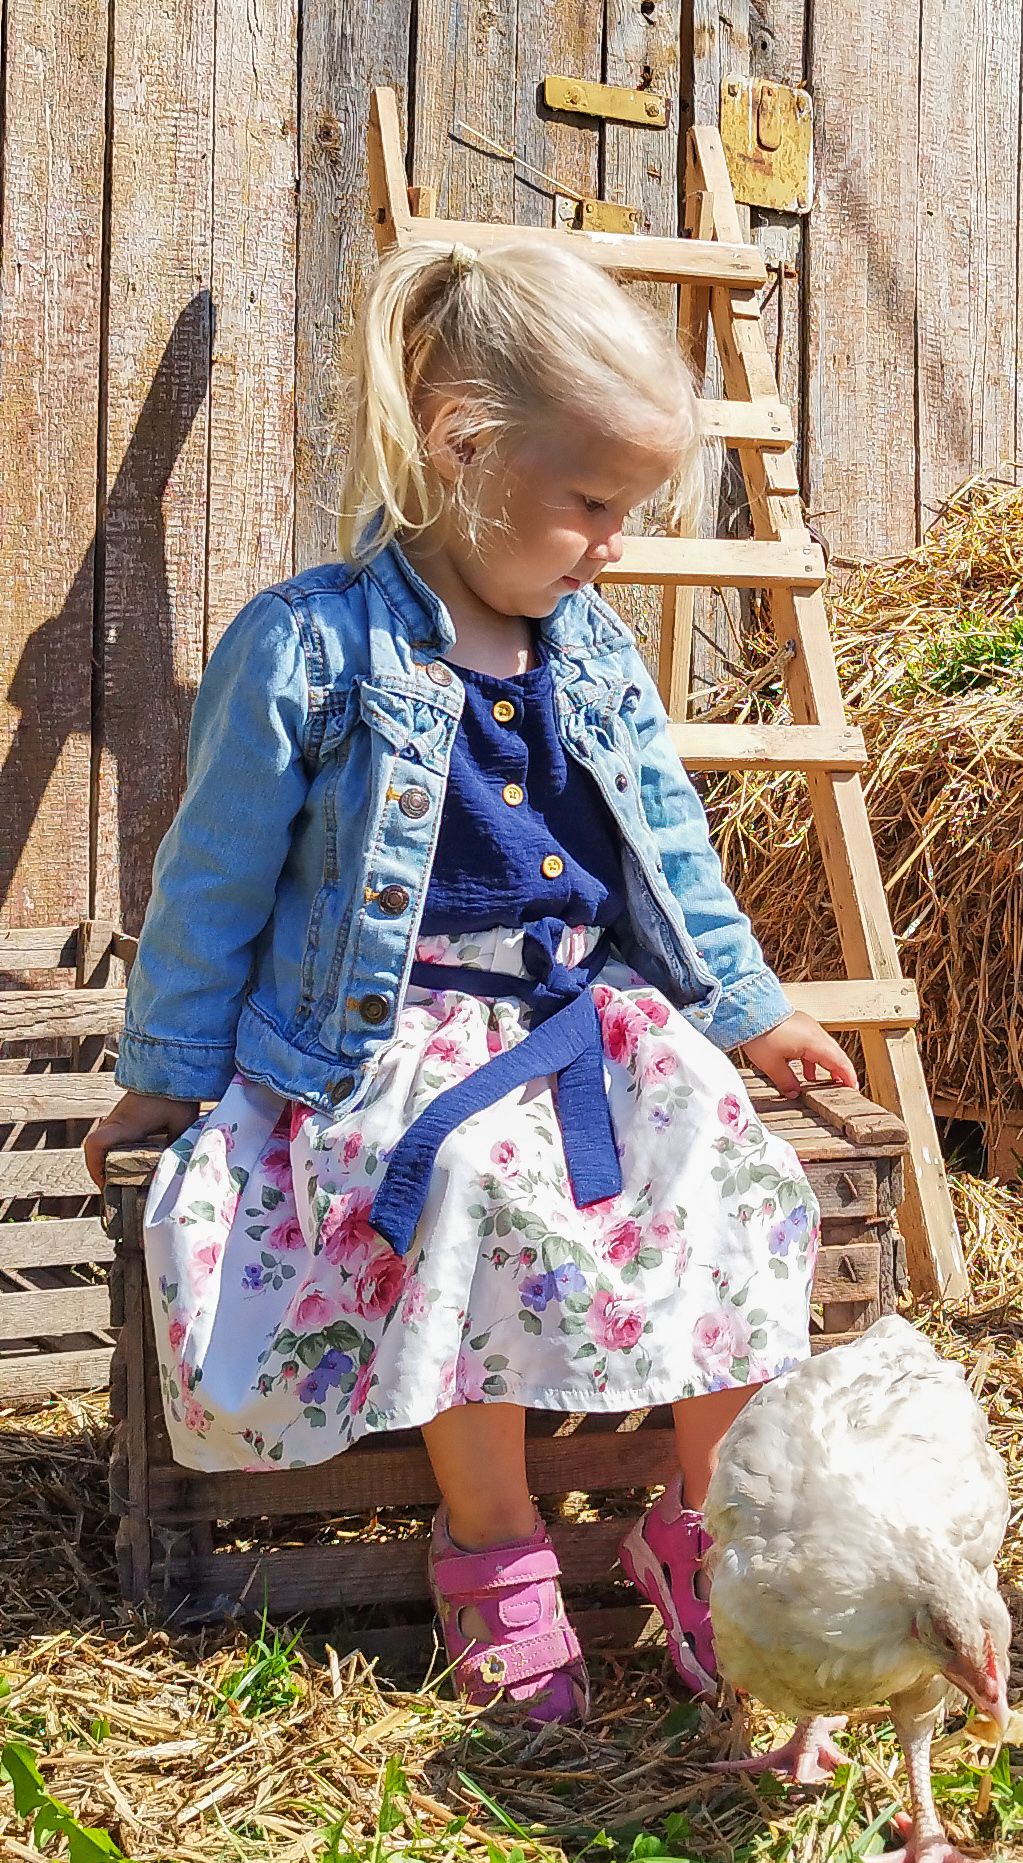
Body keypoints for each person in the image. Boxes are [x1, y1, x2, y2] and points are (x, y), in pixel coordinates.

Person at [85, 230, 855, 1724]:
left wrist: (751, 1013)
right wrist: (170, 1073)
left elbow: (671, 856)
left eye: (625, 510)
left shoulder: (598, 652)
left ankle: (706, 1531)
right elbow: (213, 881)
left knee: (739, 1181)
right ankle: (496, 1549)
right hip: (398, 1036)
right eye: (589, 503)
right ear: (462, 448)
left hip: (589, 1017)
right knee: (477, 1200)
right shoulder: (310, 645)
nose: (614, 542)